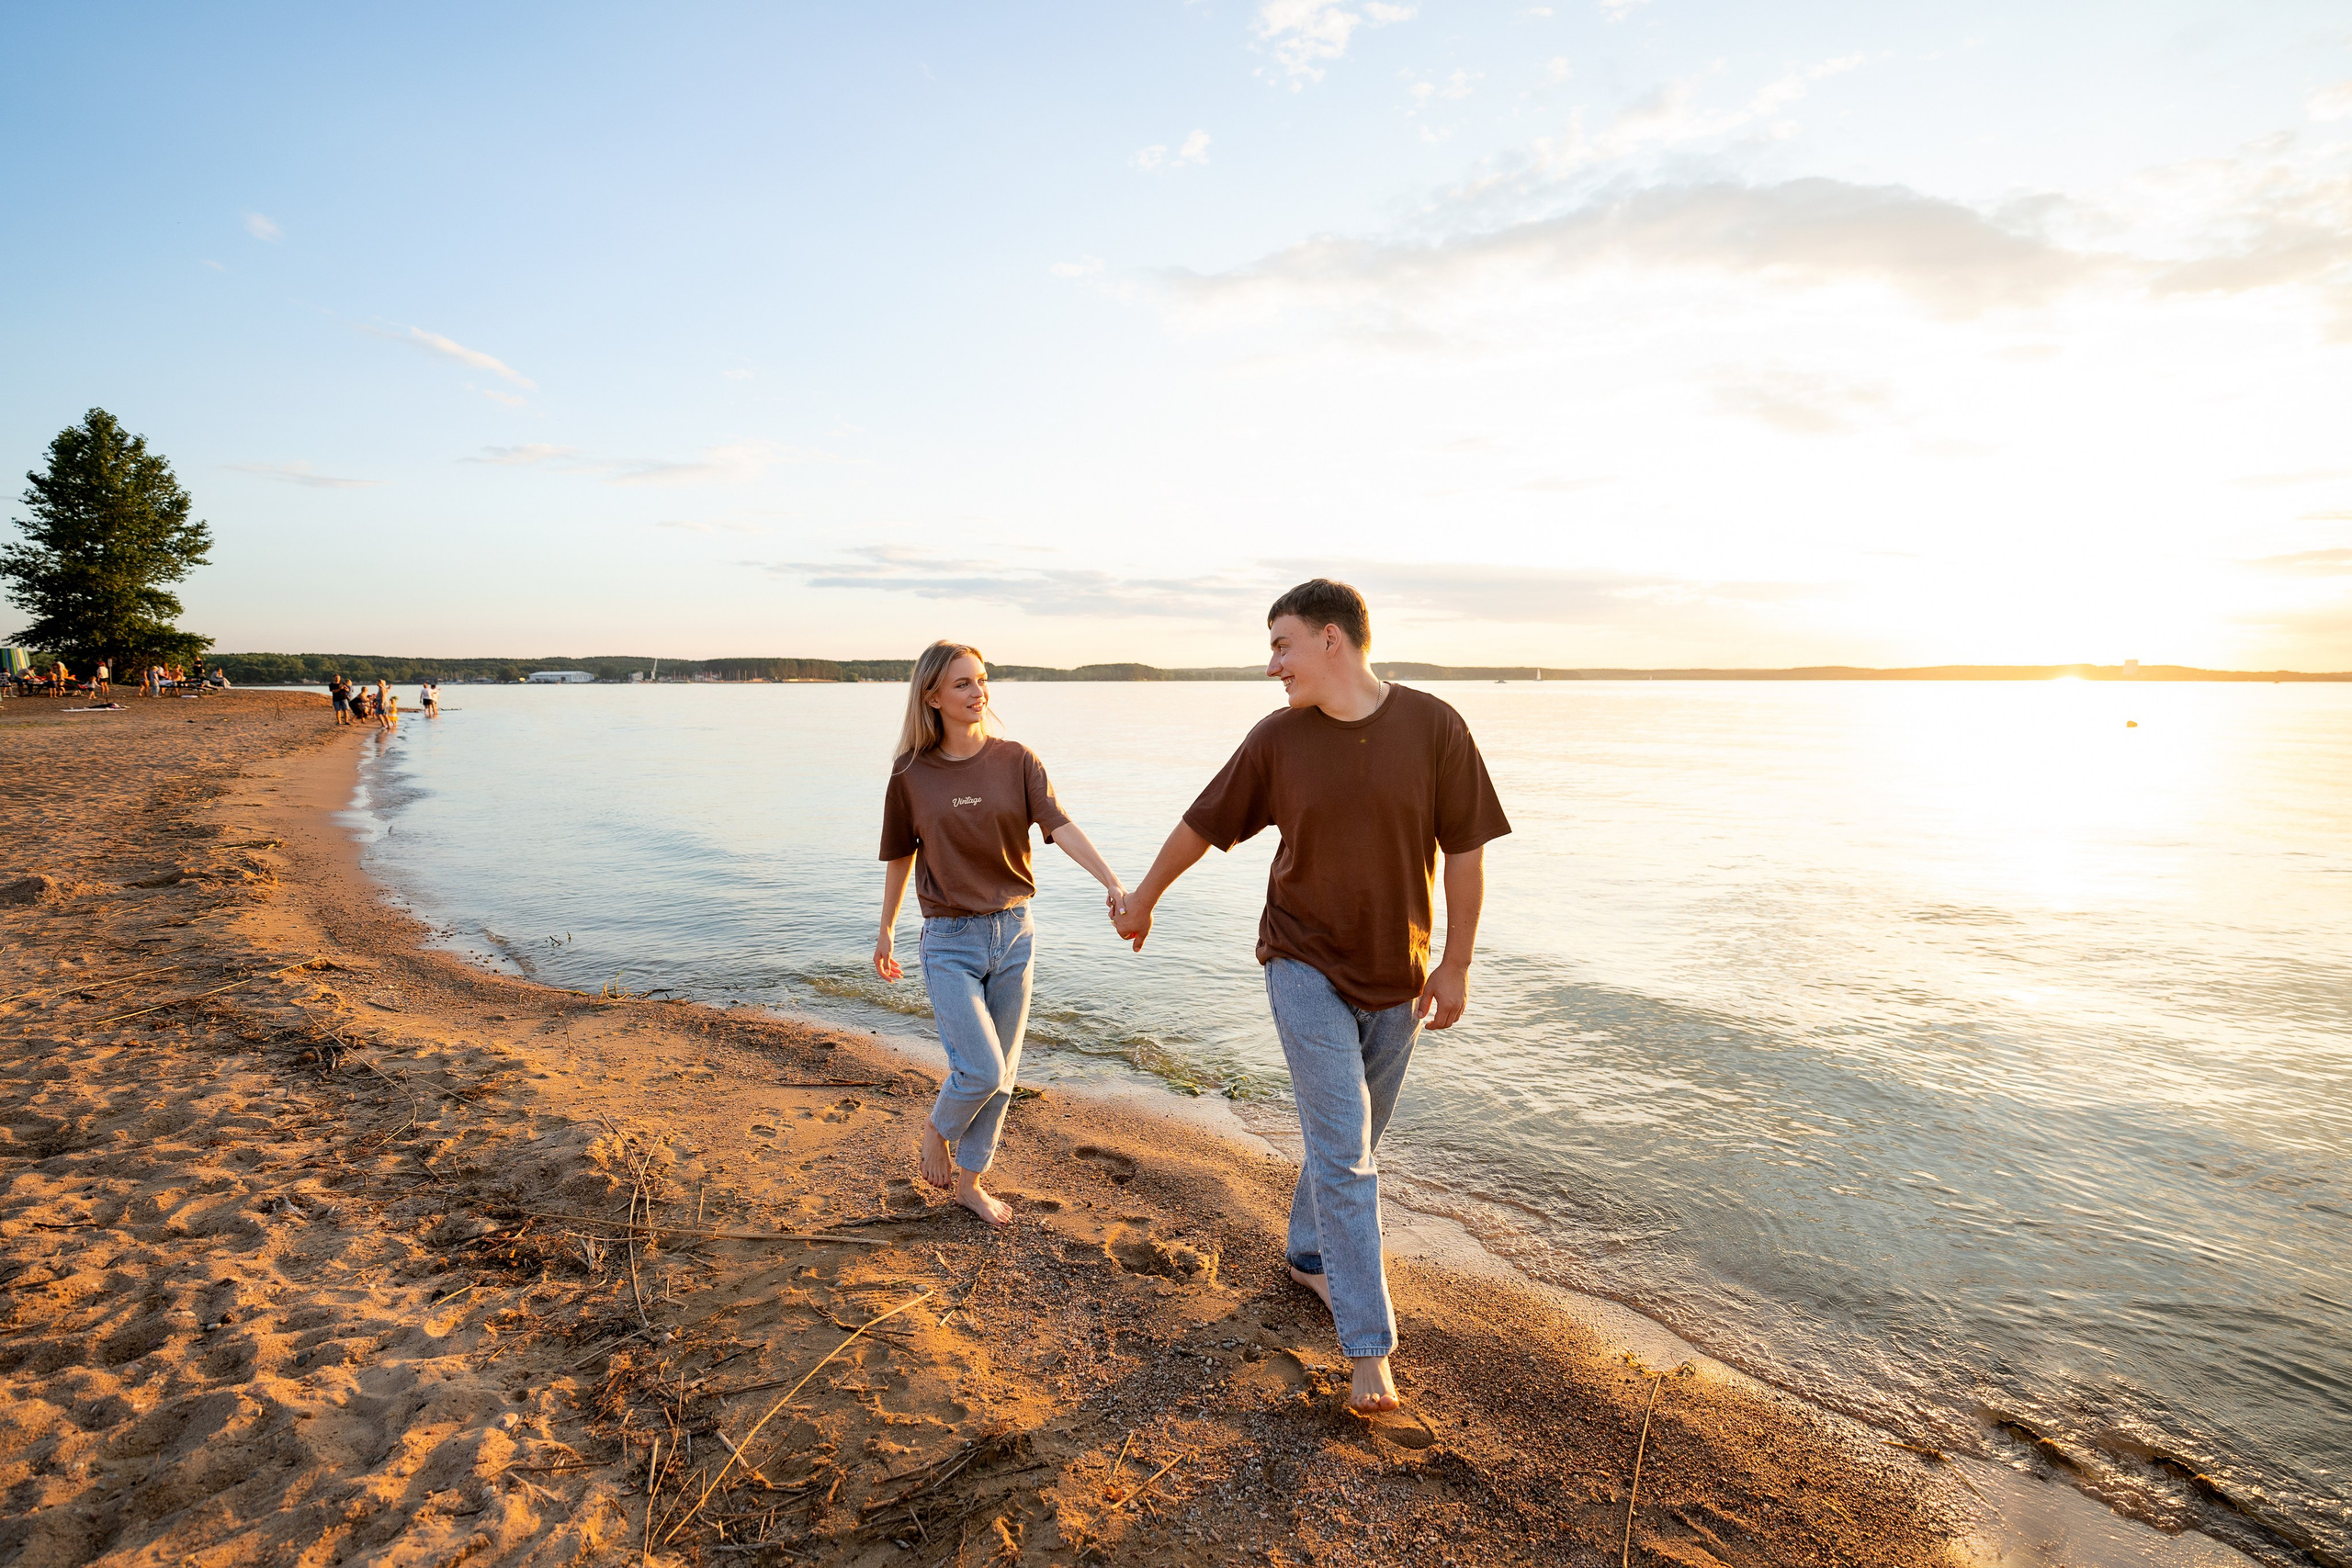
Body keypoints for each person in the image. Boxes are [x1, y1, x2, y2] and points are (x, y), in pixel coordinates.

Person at [1112, 579, 1510, 1416]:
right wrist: (1145, 895)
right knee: (1346, 1155)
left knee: (1350, 1140)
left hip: (1398, 977)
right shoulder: (1279, 739)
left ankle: (1306, 1253)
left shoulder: (1435, 726)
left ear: (1334, 639)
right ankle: (1369, 1347)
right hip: (1300, 962)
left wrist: (1457, 963)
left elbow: (1468, 852)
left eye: (1281, 644)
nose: (1271, 665)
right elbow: (1203, 822)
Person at [874, 640, 1126, 1226]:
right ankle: (938, 1130)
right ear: (932, 696)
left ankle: (970, 1183)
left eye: (981, 680)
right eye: (962, 683)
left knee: (1004, 1077)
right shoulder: (911, 774)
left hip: (1015, 932)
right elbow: (898, 857)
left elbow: (1059, 825)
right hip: (948, 939)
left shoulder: (1017, 759)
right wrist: (885, 930)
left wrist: (1113, 882)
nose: (977, 693)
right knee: (982, 1069)